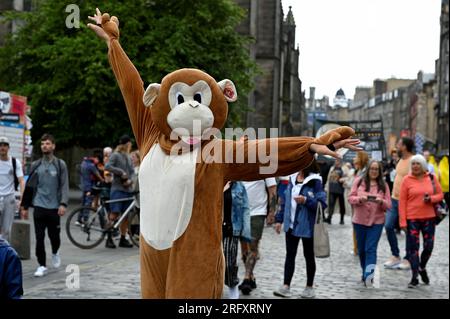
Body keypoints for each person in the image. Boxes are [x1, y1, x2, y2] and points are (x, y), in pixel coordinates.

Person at [273, 161, 326, 299]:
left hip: (307, 226)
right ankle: (286, 285)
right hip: (291, 225)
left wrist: (306, 200)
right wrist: (279, 220)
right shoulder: (292, 178)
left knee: (308, 256)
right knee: (290, 255)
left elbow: (322, 204)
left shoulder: (315, 181)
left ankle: (309, 287)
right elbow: (284, 200)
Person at [21, 134, 69, 277]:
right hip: (39, 206)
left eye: (48, 144)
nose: (45, 146)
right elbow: (29, 186)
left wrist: (63, 203)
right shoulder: (36, 165)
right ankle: (41, 265)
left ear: (53, 146)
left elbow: (64, 185)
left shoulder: (60, 164)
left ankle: (55, 252)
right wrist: (24, 206)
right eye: (43, 144)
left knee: (55, 237)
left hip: (54, 207)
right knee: (39, 237)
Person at [399, 154, 443, 288]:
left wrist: (431, 199)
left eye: (418, 163)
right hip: (412, 219)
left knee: (429, 247)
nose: (415, 166)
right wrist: (402, 222)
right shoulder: (406, 180)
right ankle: (414, 276)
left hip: (429, 218)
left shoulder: (431, 178)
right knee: (413, 249)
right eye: (413, 164)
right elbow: (402, 202)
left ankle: (422, 267)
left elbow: (440, 195)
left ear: (423, 165)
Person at [348, 160, 391, 287]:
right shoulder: (359, 181)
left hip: (376, 222)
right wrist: (359, 199)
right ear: (368, 170)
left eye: (376, 169)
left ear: (379, 171)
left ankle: (369, 276)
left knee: (370, 249)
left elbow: (388, 205)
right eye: (372, 169)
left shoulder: (384, 186)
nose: (374, 171)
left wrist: (381, 201)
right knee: (361, 250)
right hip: (359, 221)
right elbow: (350, 198)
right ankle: (364, 271)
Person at [238, 178, 277, 295]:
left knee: (253, 245)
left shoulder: (265, 163)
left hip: (257, 212)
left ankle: (246, 278)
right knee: (244, 247)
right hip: (240, 211)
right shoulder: (240, 162)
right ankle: (251, 277)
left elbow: (272, 189)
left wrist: (271, 212)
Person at [384, 137, 414, 270]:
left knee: (407, 229)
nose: (396, 146)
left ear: (405, 146)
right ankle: (395, 255)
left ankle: (408, 258)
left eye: (399, 144)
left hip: (406, 201)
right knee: (389, 226)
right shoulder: (401, 159)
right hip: (394, 199)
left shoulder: (413, 161)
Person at [104, 135, 135, 248]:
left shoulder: (128, 156)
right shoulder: (115, 155)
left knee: (125, 216)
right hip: (117, 189)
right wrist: (120, 172)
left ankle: (123, 238)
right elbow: (107, 166)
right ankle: (109, 238)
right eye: (129, 143)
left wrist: (130, 180)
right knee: (114, 214)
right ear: (127, 144)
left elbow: (131, 171)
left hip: (127, 189)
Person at [222, 181, 251, 299]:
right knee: (212, 264)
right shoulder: (216, 182)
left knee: (229, 264)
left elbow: (245, 209)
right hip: (213, 230)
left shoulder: (239, 186)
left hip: (232, 230)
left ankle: (233, 293)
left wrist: (245, 233)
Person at [0, 137, 25, 241]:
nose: (2, 147)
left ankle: (3, 254)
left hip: (9, 199)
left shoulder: (14, 162)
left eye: (5, 145)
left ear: (8, 147)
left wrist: (22, 199)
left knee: (6, 229)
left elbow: (21, 181)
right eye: (0, 145)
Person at [78, 156, 104, 224]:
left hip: (83, 186)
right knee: (88, 203)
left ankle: (79, 219)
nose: (97, 161)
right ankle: (86, 219)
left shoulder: (83, 163)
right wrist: (103, 180)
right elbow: (97, 174)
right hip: (89, 187)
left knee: (83, 203)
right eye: (97, 159)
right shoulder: (91, 165)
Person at [325, 158, 346, 224]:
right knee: (331, 204)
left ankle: (342, 219)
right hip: (332, 189)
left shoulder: (344, 168)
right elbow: (328, 178)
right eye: (336, 160)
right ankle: (329, 218)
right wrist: (326, 186)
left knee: (342, 205)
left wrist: (343, 179)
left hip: (341, 190)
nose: (336, 161)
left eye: (338, 160)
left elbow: (347, 177)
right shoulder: (332, 168)